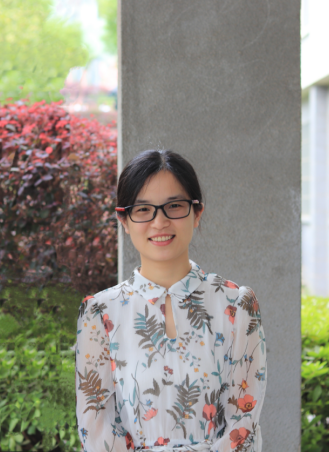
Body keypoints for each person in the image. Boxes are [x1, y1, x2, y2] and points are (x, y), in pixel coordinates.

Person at [75, 149, 266, 452]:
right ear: (124, 220)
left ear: (197, 212)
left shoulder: (237, 305)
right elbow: (96, 428)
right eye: (143, 209)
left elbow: (244, 423)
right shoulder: (100, 313)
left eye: (174, 206)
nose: (160, 221)